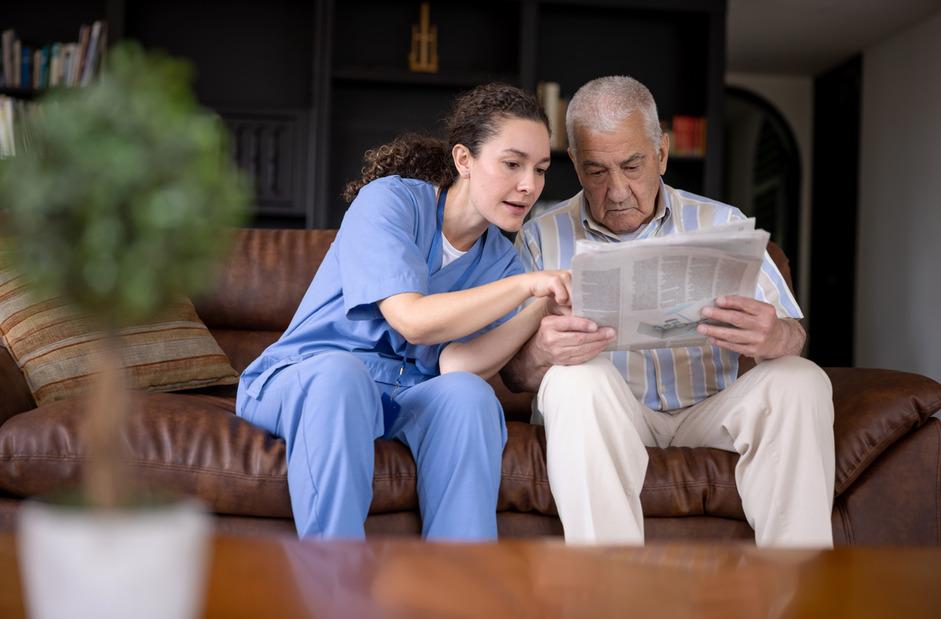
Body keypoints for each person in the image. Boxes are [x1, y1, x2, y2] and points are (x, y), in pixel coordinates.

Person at [502, 76, 835, 547]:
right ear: (574, 163)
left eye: (632, 166)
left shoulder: (724, 224)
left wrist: (774, 336)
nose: (617, 191)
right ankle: (612, 598)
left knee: (800, 379)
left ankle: (802, 592)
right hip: (613, 415)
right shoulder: (539, 239)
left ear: (661, 152)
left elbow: (794, 335)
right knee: (573, 379)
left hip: (709, 410)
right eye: (596, 171)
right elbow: (515, 375)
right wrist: (540, 353)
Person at [236, 83, 570, 541]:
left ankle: (458, 598)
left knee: (469, 397)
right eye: (512, 164)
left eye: (541, 169)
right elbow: (411, 319)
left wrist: (539, 304)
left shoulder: (503, 262)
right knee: (341, 375)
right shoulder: (390, 201)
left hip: (402, 399)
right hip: (311, 379)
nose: (529, 185)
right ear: (464, 160)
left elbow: (456, 365)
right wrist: (525, 285)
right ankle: (334, 591)